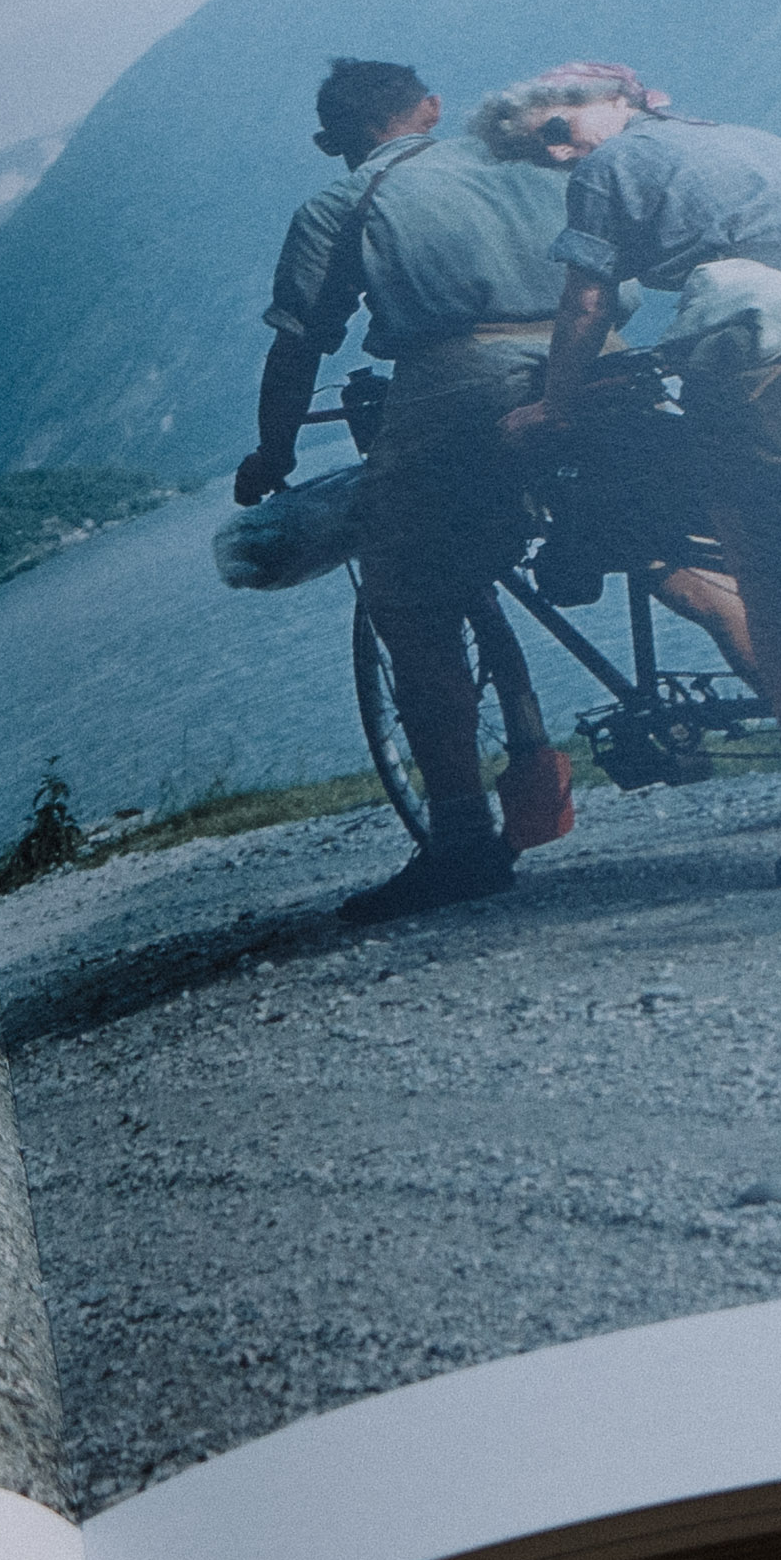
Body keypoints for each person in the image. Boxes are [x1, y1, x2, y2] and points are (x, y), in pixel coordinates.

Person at [477, 64, 781, 884]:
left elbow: (587, 306)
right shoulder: (745, 137)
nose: (560, 159)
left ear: (624, 104)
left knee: (760, 559)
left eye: (557, 133)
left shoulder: (610, 169)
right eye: (544, 155)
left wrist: (555, 407)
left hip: (768, 339)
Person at [234, 57, 577, 922]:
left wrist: (272, 451)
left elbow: (301, 344)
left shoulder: (336, 204)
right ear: (431, 108)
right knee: (663, 537)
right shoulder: (521, 161)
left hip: (464, 378)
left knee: (409, 591)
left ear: (329, 142)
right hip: (592, 355)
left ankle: (462, 839)